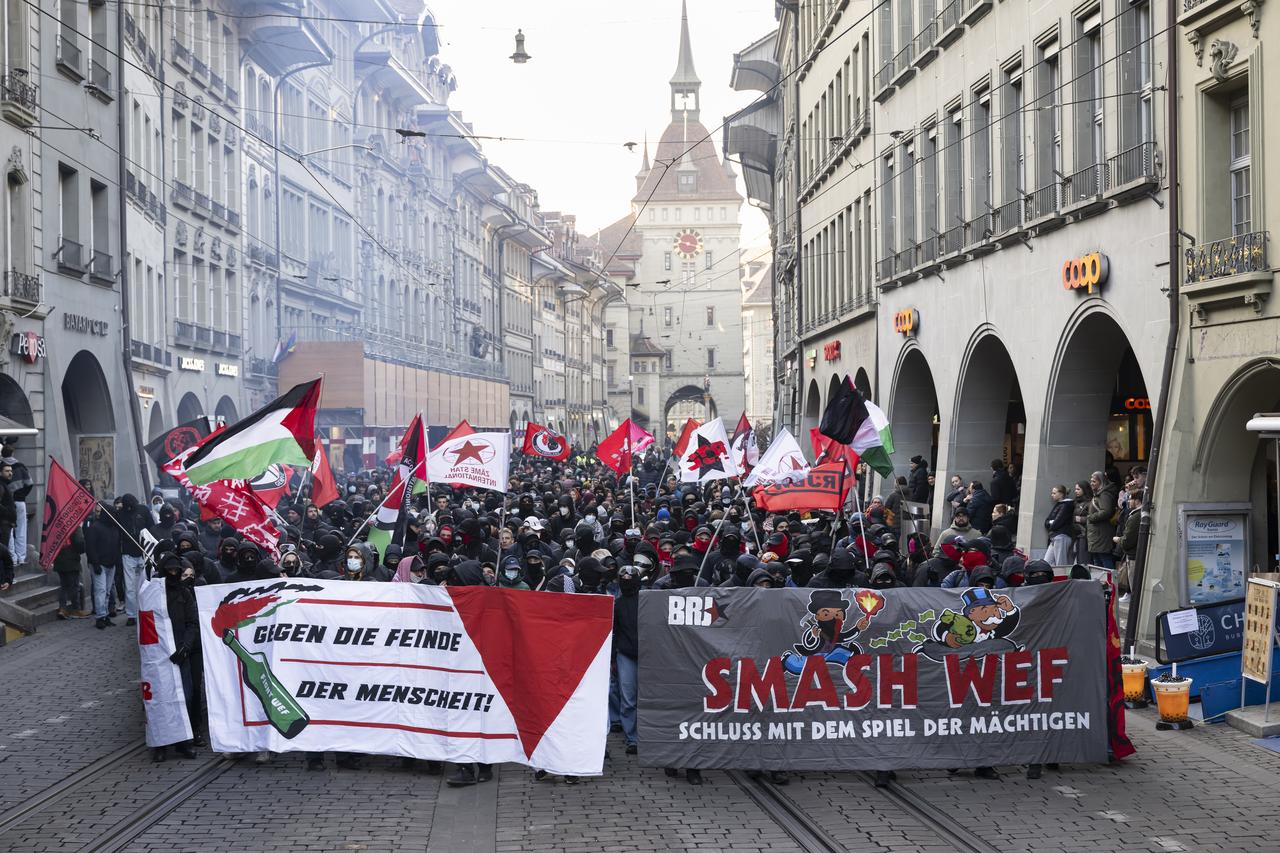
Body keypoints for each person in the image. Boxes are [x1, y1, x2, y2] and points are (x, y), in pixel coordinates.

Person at [614, 565, 641, 755]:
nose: (626, 579)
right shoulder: (617, 604)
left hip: (649, 654)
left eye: (629, 576)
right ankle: (632, 738)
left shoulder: (648, 602)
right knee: (628, 698)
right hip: (625, 655)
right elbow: (614, 631)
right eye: (622, 576)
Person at [114, 494, 151, 627]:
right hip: (128, 554)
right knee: (130, 587)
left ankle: (144, 611)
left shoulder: (143, 510)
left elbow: (150, 528)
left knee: (144, 585)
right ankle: (131, 615)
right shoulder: (120, 514)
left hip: (143, 552)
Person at [85, 505, 122, 628]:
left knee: (106, 591)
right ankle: (100, 616)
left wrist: (116, 562)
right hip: (99, 564)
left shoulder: (114, 528)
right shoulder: (95, 527)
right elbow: (90, 547)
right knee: (100, 591)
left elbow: (116, 546)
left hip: (111, 564)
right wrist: (95, 564)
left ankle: (105, 615)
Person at [2, 444, 32, 565]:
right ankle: (21, 556)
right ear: (13, 453)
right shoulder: (21, 466)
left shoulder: (2, 467)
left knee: (7, 530)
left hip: (5, 503)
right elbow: (29, 483)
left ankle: (12, 557)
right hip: (20, 501)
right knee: (21, 529)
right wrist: (22, 495)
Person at [53, 528, 90, 619]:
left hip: (58, 559)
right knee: (74, 586)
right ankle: (75, 609)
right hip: (71, 559)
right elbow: (79, 542)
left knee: (64, 585)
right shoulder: (74, 525)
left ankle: (62, 609)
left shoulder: (55, 525)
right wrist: (82, 548)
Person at [1085, 471, 1118, 570]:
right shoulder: (1099, 494)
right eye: (1091, 481)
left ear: (1101, 482)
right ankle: (1100, 583)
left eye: (1094, 481)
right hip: (1097, 533)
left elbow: (1106, 512)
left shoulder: (1104, 495)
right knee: (1098, 560)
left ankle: (1110, 583)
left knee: (1103, 560)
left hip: (1101, 533)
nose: (1091, 483)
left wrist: (1091, 518)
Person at [1043, 485, 1074, 567]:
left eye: (1054, 493)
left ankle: (1063, 579)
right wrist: (1050, 523)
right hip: (1055, 536)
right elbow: (1046, 522)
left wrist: (1051, 523)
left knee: (1060, 564)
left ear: (1061, 494)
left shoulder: (1066, 505)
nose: (1052, 495)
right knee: (1047, 563)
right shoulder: (1060, 504)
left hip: (1062, 536)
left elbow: (1056, 523)